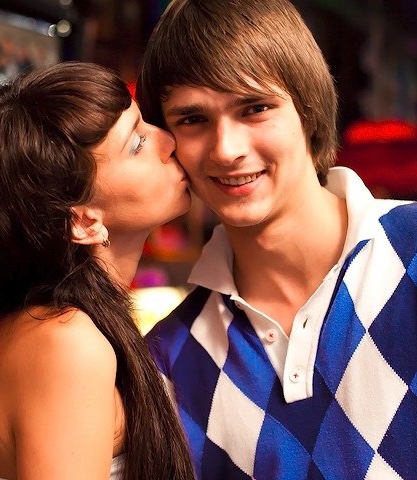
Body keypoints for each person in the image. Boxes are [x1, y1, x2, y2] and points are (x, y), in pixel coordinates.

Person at [137, 1, 417, 479]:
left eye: (255, 108)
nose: (227, 149)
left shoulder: (410, 251)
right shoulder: (166, 362)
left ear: (308, 110)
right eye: (193, 119)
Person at [0, 61, 196, 480]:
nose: (168, 140)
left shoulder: (57, 327)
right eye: (136, 143)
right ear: (81, 221)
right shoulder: (65, 343)